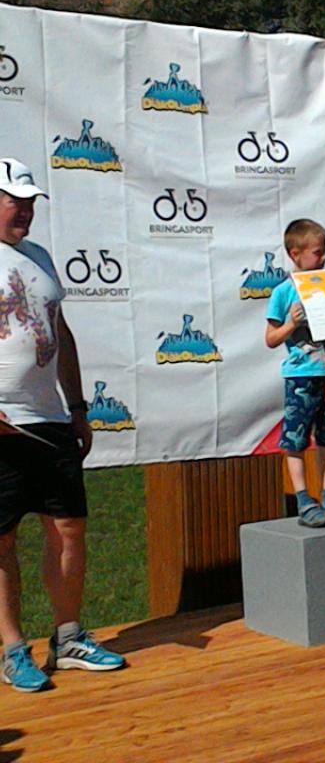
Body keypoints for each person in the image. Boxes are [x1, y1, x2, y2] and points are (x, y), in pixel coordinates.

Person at [0, 157, 125, 692]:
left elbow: (61, 332)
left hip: (50, 419)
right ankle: (12, 648)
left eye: (30, 201)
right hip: (3, 422)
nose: (25, 210)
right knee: (2, 540)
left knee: (69, 528)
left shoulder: (39, 256)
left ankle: (68, 637)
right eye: (15, 200)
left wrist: (77, 406)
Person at [266, 219, 325, 528]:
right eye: (317, 252)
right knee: (295, 438)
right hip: (301, 375)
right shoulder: (283, 292)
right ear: (296, 254)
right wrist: (291, 324)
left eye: (324, 251)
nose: (323, 257)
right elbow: (271, 338)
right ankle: (304, 500)